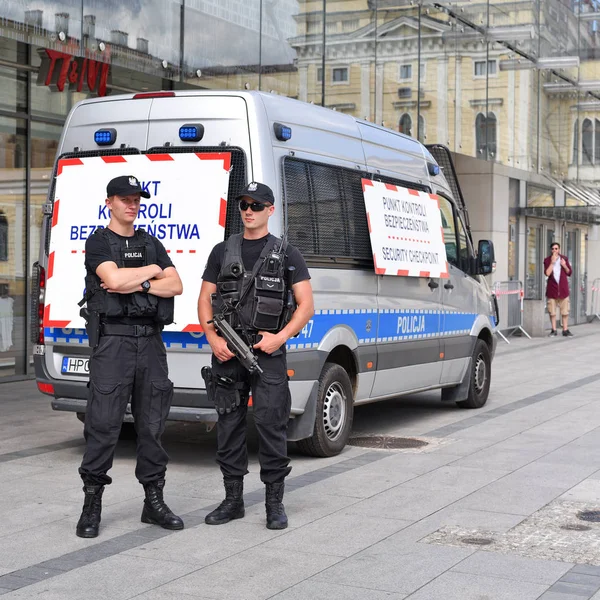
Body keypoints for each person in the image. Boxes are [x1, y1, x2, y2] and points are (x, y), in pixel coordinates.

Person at [198, 181, 314, 530]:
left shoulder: (287, 253)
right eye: (244, 205)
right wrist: (213, 338)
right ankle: (232, 501)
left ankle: (274, 504)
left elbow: (306, 306)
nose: (249, 210)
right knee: (229, 427)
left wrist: (279, 337)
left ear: (270, 210)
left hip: (268, 354)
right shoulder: (222, 251)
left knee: (271, 425)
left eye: (257, 205)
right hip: (228, 353)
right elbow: (205, 298)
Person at [76, 175, 184, 538]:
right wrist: (150, 275)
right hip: (114, 344)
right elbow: (113, 282)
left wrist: (147, 277)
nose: (132, 204)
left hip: (151, 343)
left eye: (136, 198)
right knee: (104, 426)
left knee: (152, 427)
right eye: (124, 198)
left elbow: (177, 285)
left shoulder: (151, 243)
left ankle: (153, 503)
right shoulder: (98, 242)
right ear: (109, 202)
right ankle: (92, 504)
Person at [544, 242, 573, 337]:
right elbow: (547, 273)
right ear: (550, 250)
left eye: (556, 249)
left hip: (563, 290)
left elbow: (569, 272)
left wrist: (564, 265)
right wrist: (552, 262)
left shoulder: (564, 259)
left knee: (565, 311)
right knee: (552, 312)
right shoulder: (547, 260)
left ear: (559, 249)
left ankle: (565, 330)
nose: (554, 250)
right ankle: (554, 330)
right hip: (552, 290)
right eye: (552, 249)